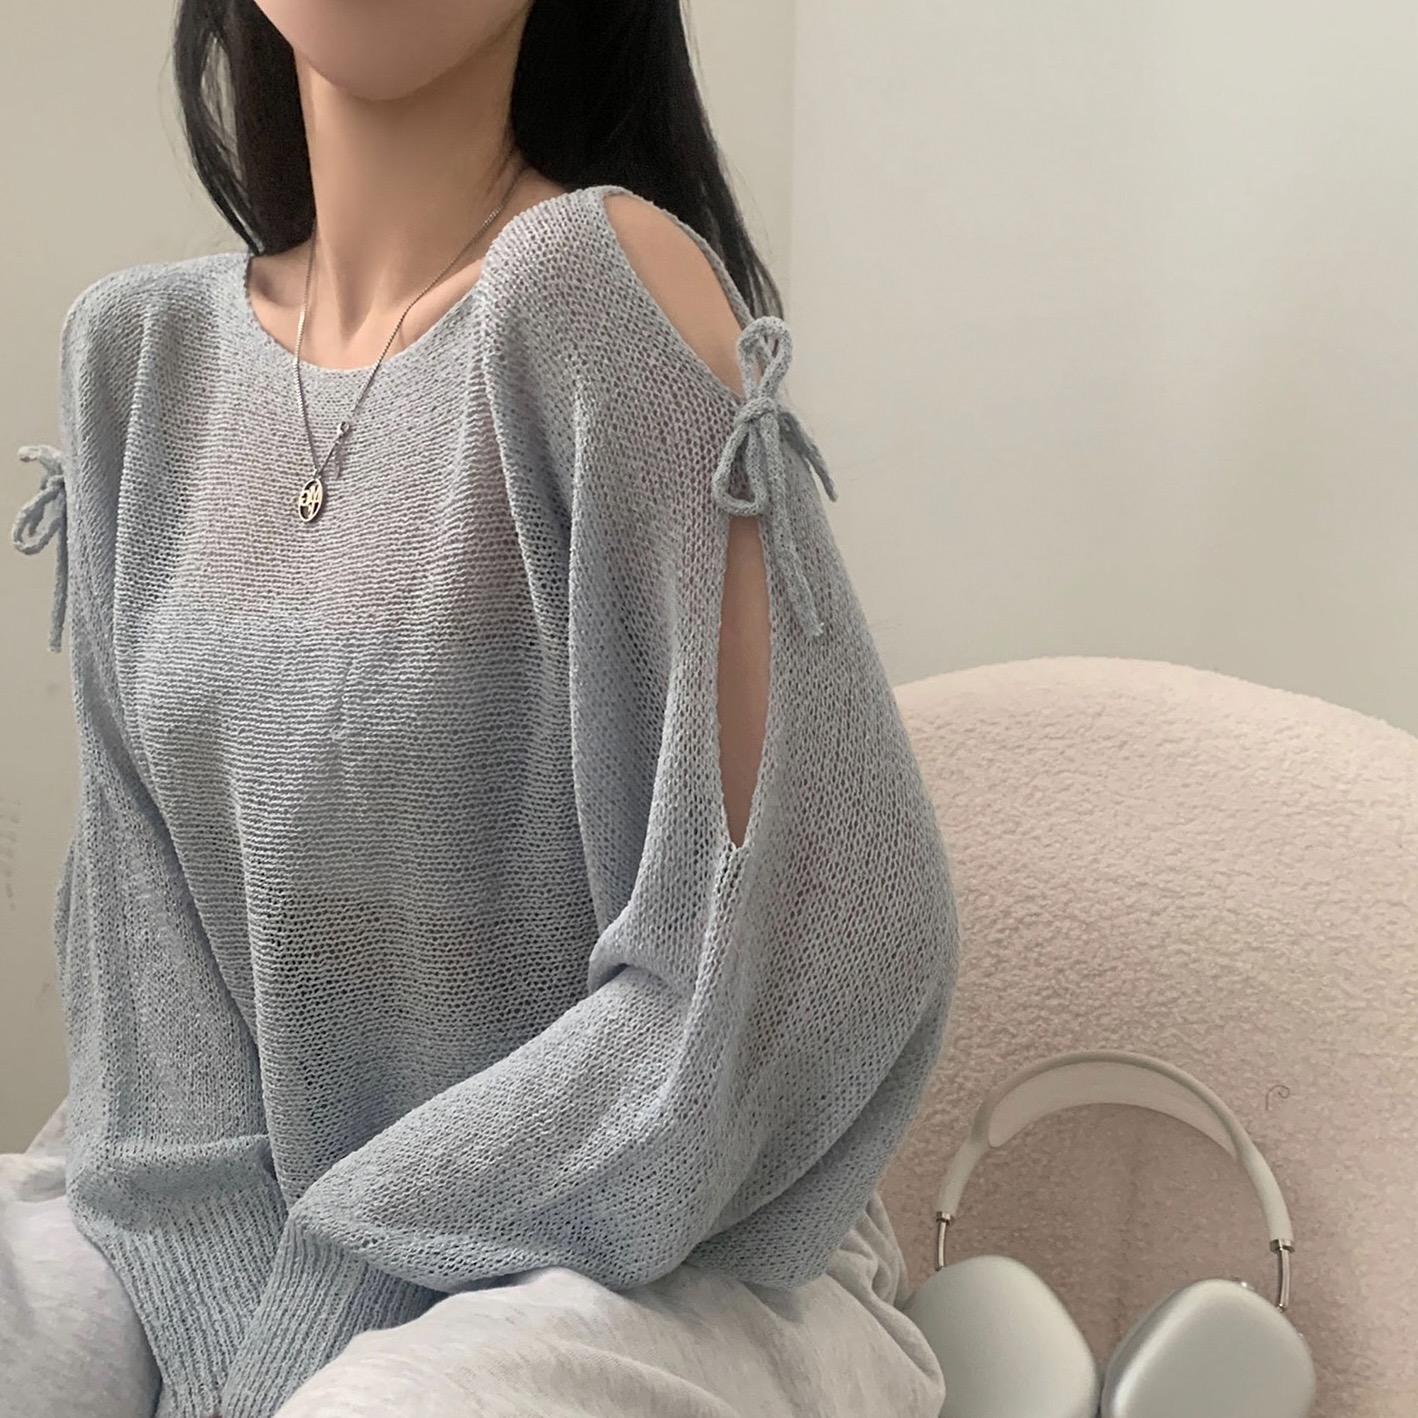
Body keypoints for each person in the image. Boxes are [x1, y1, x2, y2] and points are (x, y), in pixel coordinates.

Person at [3, 2, 961, 1416]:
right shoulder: (136, 359)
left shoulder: (592, 287)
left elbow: (791, 970)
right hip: (255, 1227)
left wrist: (342, 1290)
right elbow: (151, 998)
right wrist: (232, 1363)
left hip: (671, 1252)